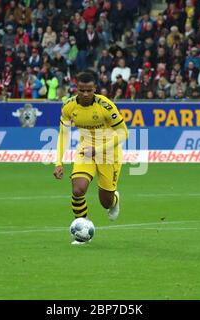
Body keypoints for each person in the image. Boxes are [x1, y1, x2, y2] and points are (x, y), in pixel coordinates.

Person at [53, 71, 129, 245]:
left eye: (89, 90)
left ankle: (115, 199)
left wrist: (99, 149)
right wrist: (58, 162)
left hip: (109, 153)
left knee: (106, 202)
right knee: (78, 190)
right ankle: (81, 233)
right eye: (81, 90)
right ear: (76, 88)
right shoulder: (69, 106)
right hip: (85, 151)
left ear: (95, 88)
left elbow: (124, 133)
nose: (85, 94)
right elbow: (63, 134)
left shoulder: (106, 106)